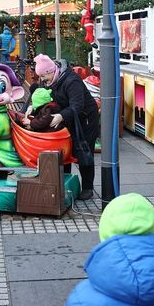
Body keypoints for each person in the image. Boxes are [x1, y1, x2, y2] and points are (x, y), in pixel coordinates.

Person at [33, 54, 99, 200]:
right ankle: (65, 182)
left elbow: (77, 105)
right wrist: (30, 108)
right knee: (64, 148)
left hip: (86, 117)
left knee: (84, 150)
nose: (43, 81)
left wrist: (61, 116)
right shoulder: (51, 79)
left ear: (50, 71)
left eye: (44, 77)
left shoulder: (71, 80)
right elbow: (40, 93)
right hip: (67, 116)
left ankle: (88, 188)